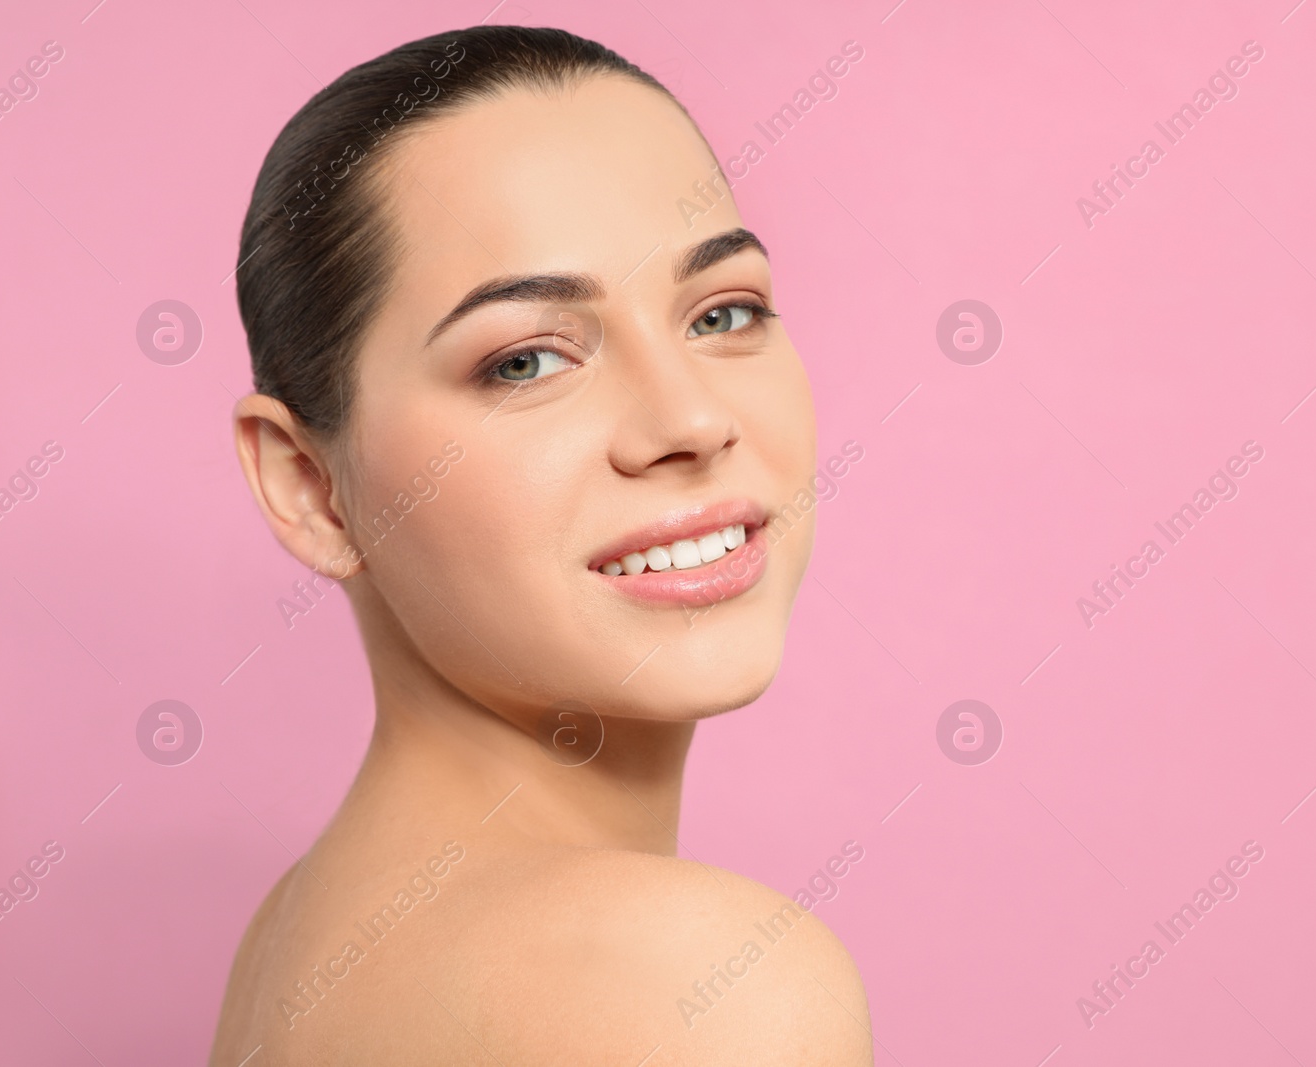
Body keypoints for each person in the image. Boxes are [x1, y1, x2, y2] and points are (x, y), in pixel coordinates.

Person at [209, 24, 872, 1066]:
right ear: (310, 487)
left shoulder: (301, 931)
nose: (690, 420)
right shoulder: (693, 987)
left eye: (722, 310)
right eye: (524, 360)